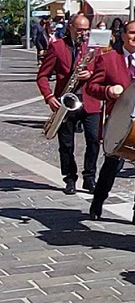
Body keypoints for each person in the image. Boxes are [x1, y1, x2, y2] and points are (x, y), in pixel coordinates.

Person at [85, 20, 135, 227]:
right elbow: (92, 86)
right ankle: (98, 202)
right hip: (118, 123)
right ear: (123, 35)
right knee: (112, 166)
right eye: (132, 33)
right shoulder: (109, 59)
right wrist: (107, 91)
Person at [36, 13, 101, 195]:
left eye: (86, 29)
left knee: (94, 140)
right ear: (70, 27)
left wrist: (91, 74)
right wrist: (49, 97)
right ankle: (70, 178)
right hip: (66, 101)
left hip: (90, 100)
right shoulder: (57, 47)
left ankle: (89, 177)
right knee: (66, 144)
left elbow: (103, 71)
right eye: (80, 29)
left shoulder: (94, 48)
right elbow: (42, 76)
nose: (83, 33)